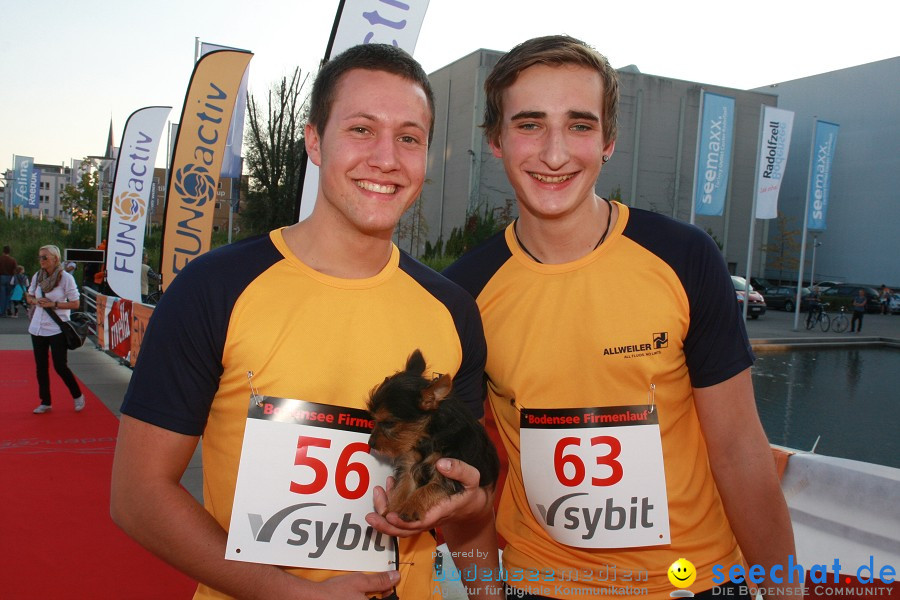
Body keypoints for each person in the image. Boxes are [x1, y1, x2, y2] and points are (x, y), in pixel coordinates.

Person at [111, 43, 499, 600]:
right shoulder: (214, 288)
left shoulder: (453, 309)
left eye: (409, 138)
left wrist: (474, 510)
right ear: (315, 140)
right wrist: (291, 594)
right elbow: (137, 496)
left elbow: (468, 515)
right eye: (362, 129)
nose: (386, 158)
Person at [443, 35, 799, 600]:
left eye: (580, 125)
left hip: (694, 582)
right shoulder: (465, 291)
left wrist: (782, 590)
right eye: (530, 124)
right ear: (495, 140)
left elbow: (738, 449)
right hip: (540, 583)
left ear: (609, 140)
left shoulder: (683, 257)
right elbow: (460, 475)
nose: (555, 153)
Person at [25, 245, 85, 414]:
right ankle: (45, 401)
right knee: (41, 366)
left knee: (60, 365)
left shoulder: (65, 278)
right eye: (40, 257)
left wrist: (54, 304)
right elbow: (29, 295)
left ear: (55, 259)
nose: (41, 260)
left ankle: (77, 394)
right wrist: (35, 301)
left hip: (57, 327)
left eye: (45, 257)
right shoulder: (38, 276)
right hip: (37, 327)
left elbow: (75, 303)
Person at [0, 245, 18, 317]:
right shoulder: (12, 260)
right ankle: (7, 309)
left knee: (2, 295)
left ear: (3, 251)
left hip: (1, 277)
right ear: (9, 252)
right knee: (8, 295)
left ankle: (2, 312)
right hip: (10, 278)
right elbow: (15, 269)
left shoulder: (0, 259)